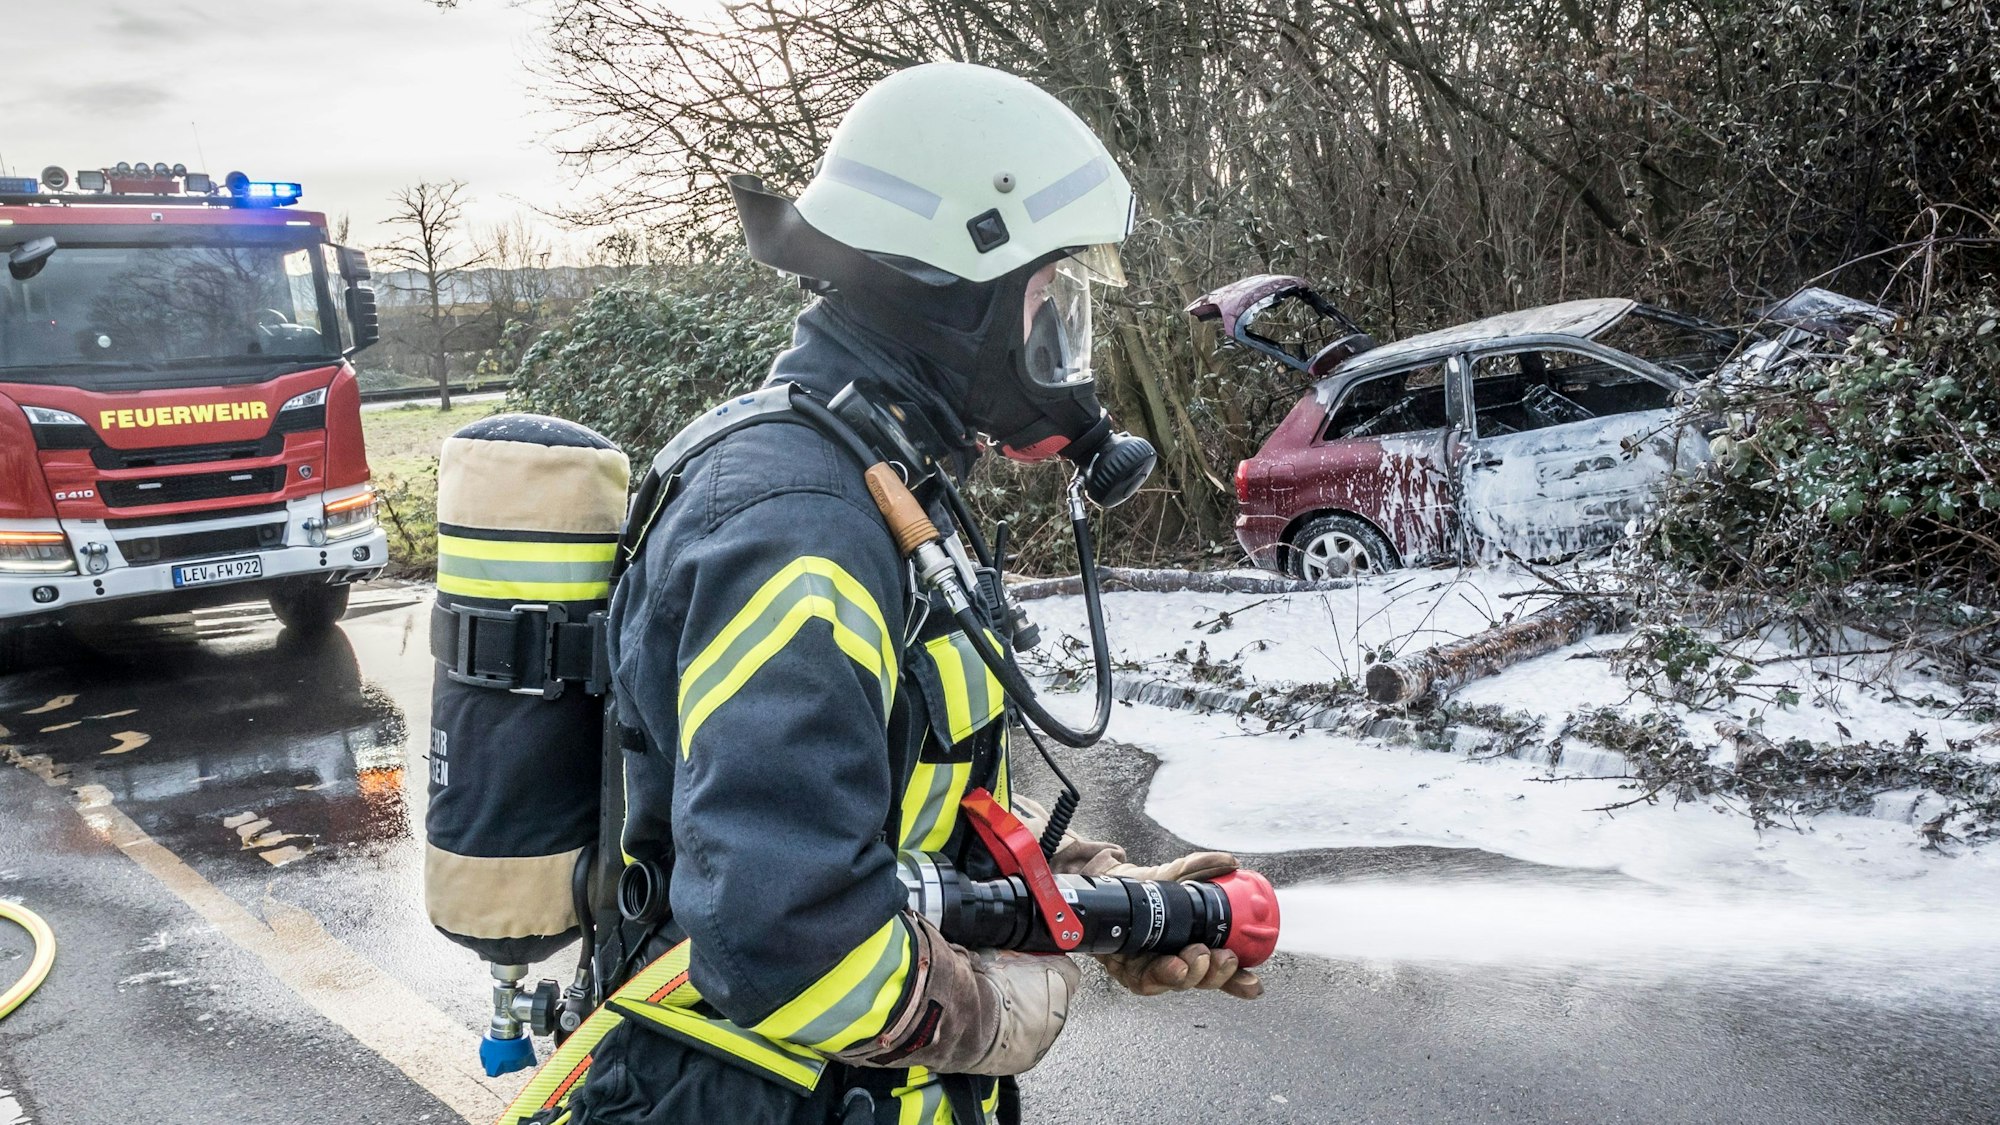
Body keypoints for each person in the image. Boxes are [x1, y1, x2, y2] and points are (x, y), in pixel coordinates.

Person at [572, 61, 1261, 1125]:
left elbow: (885, 796)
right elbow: (786, 942)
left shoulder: (876, 475)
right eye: (1050, 301)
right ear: (957, 291)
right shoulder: (799, 526)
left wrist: (1091, 897)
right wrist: (1000, 1012)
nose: (1065, 347)